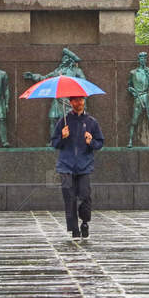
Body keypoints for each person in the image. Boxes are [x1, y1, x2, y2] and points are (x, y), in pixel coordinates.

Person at [50, 94, 103, 239]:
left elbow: (100, 143)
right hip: (66, 166)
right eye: (75, 100)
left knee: (85, 196)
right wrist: (62, 136)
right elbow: (54, 144)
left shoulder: (92, 122)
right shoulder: (63, 122)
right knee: (69, 196)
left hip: (84, 166)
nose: (78, 103)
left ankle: (85, 221)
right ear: (70, 102)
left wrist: (91, 142)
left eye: (80, 100)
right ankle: (74, 229)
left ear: (84, 101)